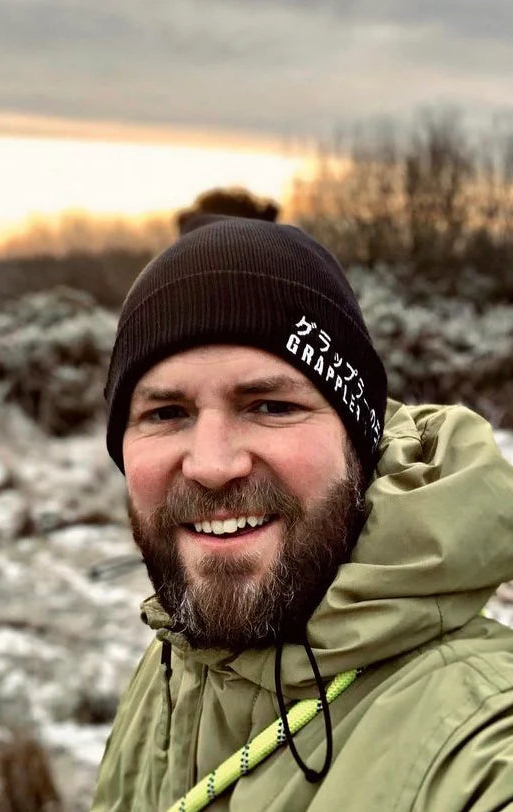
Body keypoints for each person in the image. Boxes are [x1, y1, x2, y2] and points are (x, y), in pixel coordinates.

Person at [91, 214, 513, 811]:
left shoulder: (480, 748)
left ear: (358, 443)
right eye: (166, 414)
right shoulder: (178, 661)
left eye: (269, 405)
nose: (211, 465)